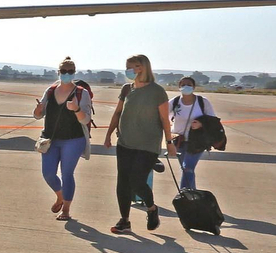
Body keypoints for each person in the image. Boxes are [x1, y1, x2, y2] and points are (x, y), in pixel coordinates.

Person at [102, 54, 176, 234]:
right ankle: (124, 220)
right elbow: (118, 113)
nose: (128, 70)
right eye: (127, 67)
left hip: (148, 145)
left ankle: (151, 208)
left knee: (137, 181)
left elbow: (164, 119)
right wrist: (108, 134)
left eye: (132, 67)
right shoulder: (127, 89)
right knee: (123, 183)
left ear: (142, 68)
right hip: (125, 142)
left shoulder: (157, 91)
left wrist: (169, 141)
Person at [33, 58, 91, 221]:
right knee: (48, 174)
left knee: (67, 174)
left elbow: (85, 119)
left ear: (74, 73)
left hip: (73, 139)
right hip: (51, 139)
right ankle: (60, 195)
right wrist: (37, 110)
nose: (66, 74)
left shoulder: (81, 93)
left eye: (70, 71)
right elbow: (38, 115)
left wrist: (76, 109)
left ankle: (66, 209)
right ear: (58, 72)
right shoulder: (50, 91)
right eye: (63, 71)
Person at [168, 77, 216, 189]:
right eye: (183, 84)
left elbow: (213, 121)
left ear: (194, 87)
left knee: (187, 168)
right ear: (179, 87)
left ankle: (184, 194)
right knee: (187, 170)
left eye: (189, 85)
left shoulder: (202, 102)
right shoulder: (175, 102)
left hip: (197, 141)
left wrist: (201, 124)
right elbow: (163, 116)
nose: (186, 87)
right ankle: (193, 195)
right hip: (179, 141)